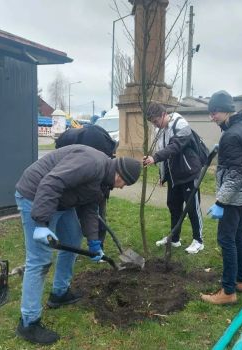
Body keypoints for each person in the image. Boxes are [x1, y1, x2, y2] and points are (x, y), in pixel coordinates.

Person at [14, 144, 141, 345]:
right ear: (119, 174)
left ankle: (59, 293)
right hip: (35, 195)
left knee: (73, 238)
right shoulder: (92, 164)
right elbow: (51, 181)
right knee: (39, 260)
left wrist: (94, 242)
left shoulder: (103, 182)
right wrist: (40, 223)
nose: (122, 187)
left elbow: (90, 209)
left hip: (61, 201)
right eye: (125, 183)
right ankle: (28, 322)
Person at [201, 90, 242, 305]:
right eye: (210, 112)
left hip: (233, 198)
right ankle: (240, 280)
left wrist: (220, 202)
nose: (212, 117)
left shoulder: (231, 135)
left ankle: (228, 291)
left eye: (215, 112)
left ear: (227, 110)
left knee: (226, 239)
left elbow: (236, 174)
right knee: (238, 235)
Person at [143, 102, 204, 254]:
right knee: (174, 206)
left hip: (189, 173)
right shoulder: (161, 130)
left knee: (192, 208)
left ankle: (198, 240)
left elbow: (175, 147)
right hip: (174, 176)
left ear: (164, 115)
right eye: (153, 123)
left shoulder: (181, 124)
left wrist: (155, 158)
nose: (155, 125)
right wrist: (162, 176)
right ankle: (174, 239)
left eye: (156, 121)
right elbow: (164, 153)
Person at [55, 125, 117, 250]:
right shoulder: (80, 147)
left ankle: (97, 245)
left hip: (96, 184)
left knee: (96, 213)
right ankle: (76, 244)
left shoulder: (100, 143)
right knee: (82, 215)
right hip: (70, 189)